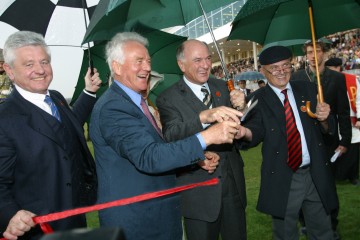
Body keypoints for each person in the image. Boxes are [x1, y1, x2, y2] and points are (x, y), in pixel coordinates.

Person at [89, 32, 242, 240]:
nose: (147, 67)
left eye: (148, 61)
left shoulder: (135, 102)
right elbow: (149, 157)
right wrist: (207, 137)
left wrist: (196, 159)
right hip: (137, 222)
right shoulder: (113, 107)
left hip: (158, 215)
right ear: (116, 66)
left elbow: (160, 150)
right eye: (139, 61)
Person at [0, 31, 101, 240]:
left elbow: (69, 125)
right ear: (9, 70)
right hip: (38, 230)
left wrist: (89, 91)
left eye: (44, 61)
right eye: (29, 64)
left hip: (75, 219)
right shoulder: (4, 119)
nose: (40, 70)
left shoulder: (55, 97)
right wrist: (10, 214)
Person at [231, 46, 339, 240]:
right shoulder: (257, 99)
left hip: (315, 174)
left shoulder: (307, 88)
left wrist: (324, 118)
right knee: (285, 234)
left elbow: (328, 129)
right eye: (274, 68)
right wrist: (243, 131)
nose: (281, 72)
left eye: (286, 66)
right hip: (284, 176)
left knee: (323, 231)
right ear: (263, 71)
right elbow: (254, 131)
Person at [156, 39, 247, 240]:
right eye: (197, 60)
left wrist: (241, 107)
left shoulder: (222, 87)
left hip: (233, 187)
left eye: (208, 58)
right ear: (182, 65)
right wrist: (203, 117)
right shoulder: (167, 98)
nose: (206, 65)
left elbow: (238, 132)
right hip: (199, 193)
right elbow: (171, 136)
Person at [290, 39, 351, 239]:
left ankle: (331, 225)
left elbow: (343, 112)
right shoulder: (297, 77)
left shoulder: (337, 78)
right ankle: (306, 223)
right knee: (304, 187)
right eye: (309, 52)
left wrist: (345, 141)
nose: (313, 55)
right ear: (305, 55)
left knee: (327, 187)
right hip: (306, 143)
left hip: (329, 142)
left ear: (324, 53)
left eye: (316, 51)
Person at [325, 57, 360, 185]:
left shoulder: (352, 80)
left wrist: (359, 118)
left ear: (337, 68)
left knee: (352, 149)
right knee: (335, 147)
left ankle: (352, 175)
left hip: (352, 120)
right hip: (334, 119)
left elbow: (359, 100)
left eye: (331, 69)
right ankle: (336, 174)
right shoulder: (327, 81)